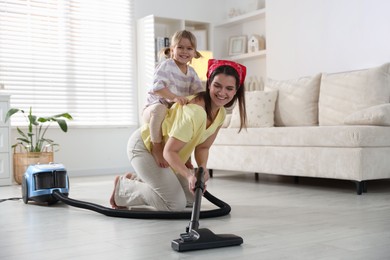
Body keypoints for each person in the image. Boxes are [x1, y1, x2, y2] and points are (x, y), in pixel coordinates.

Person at [110, 59, 247, 212]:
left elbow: (203, 147)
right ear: (209, 85)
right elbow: (169, 152)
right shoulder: (195, 112)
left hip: (166, 153)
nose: (222, 93)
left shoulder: (221, 113)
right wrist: (189, 176)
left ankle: (138, 179)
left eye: (229, 88)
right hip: (145, 146)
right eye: (217, 86)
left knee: (192, 198)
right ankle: (124, 188)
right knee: (174, 205)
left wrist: (201, 170)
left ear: (236, 91)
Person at [143, 30, 204, 168]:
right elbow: (157, 87)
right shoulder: (167, 65)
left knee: (190, 118)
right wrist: (175, 97)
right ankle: (157, 147)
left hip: (172, 112)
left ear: (194, 53)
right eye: (180, 47)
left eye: (189, 48)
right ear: (172, 50)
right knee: (160, 108)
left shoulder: (192, 73)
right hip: (153, 109)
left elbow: (198, 93)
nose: (184, 51)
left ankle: (186, 156)